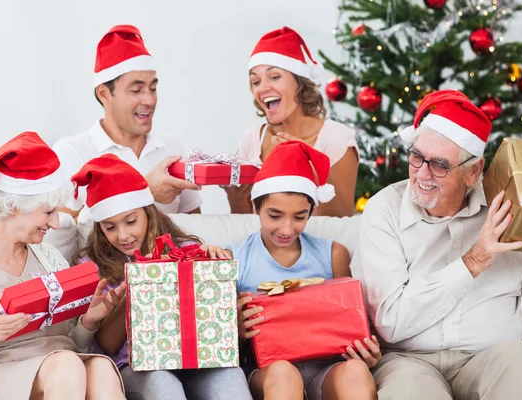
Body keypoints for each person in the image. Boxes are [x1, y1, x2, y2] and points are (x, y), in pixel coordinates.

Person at [352, 90, 522, 399]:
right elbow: (390, 321)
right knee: (410, 392)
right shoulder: (384, 209)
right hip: (408, 361)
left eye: (439, 165)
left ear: (474, 172)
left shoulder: (507, 207)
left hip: (490, 356)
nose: (422, 174)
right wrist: (472, 263)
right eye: (416, 157)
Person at [0, 132, 125, 400]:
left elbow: (73, 343)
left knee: (101, 368)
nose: (55, 223)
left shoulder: (50, 257)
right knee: (66, 365)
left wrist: (88, 321)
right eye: (48, 212)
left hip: (60, 366)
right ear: (14, 206)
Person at [70, 154, 253, 400]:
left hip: (200, 359)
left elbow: (219, 324)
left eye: (131, 221)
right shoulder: (94, 267)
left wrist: (213, 264)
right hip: (140, 367)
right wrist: (140, 283)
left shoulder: (185, 249)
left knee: (230, 378)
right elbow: (108, 346)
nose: (123, 235)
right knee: (163, 384)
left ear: (148, 212)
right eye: (110, 227)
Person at [207, 141, 379, 400]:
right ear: (255, 207)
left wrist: (367, 349)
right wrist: (236, 328)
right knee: (283, 374)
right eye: (274, 216)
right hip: (268, 373)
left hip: (327, 369)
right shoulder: (233, 258)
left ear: (312, 212)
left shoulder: (333, 254)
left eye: (299, 217)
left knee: (355, 371)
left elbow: (350, 323)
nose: (286, 229)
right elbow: (215, 340)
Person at [53, 24, 202, 220]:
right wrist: (144, 191)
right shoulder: (72, 153)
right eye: (136, 90)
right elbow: (60, 231)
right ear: (104, 94)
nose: (149, 100)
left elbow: (193, 231)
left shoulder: (171, 149)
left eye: (153, 88)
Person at [225, 26, 359, 218]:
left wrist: (311, 167)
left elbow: (342, 220)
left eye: (274, 77)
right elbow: (245, 225)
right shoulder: (251, 140)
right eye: (256, 82)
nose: (262, 88)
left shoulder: (337, 138)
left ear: (299, 82)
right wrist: (236, 202)